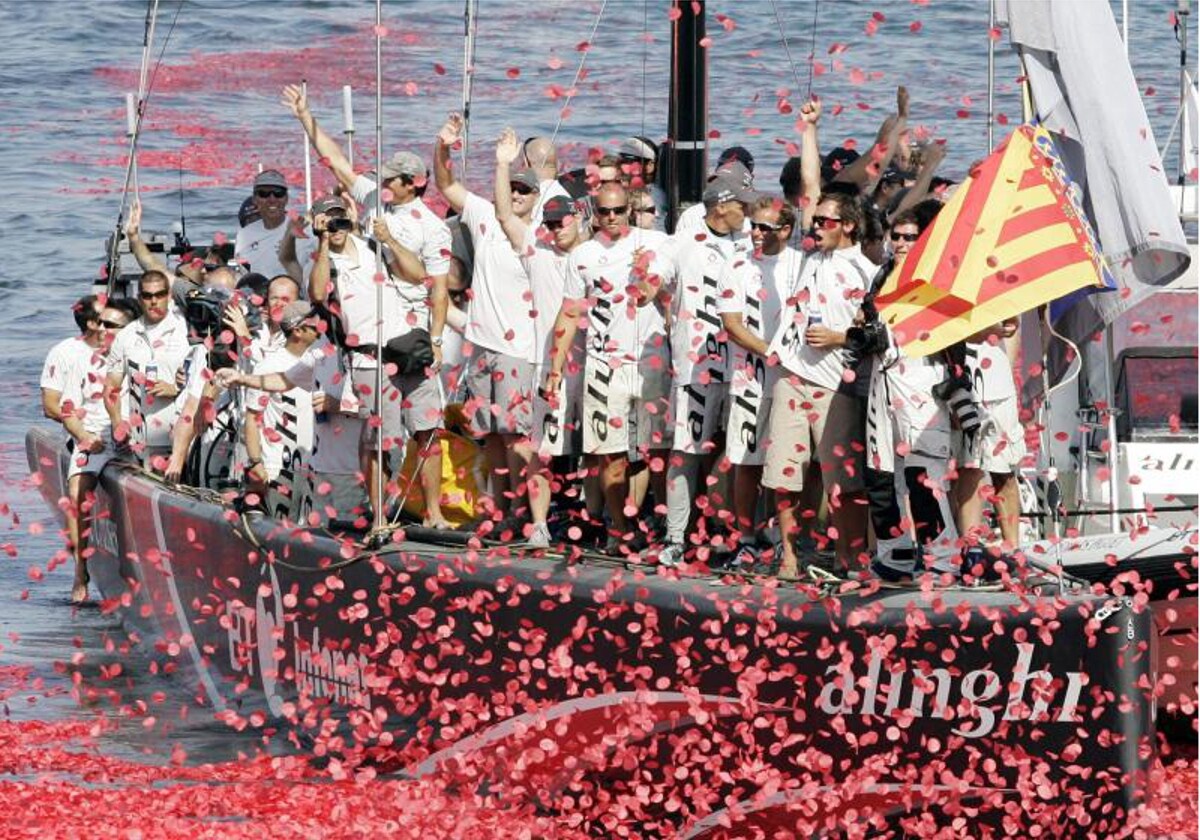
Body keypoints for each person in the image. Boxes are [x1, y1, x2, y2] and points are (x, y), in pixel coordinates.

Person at [544, 183, 674, 555]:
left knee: (660, 452)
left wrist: (648, 276)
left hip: (651, 360)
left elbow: (671, 294)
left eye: (619, 210)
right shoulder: (582, 255)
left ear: (630, 210)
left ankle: (667, 528)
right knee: (608, 454)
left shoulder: (657, 243)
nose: (612, 218)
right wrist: (554, 369)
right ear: (594, 214)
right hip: (604, 364)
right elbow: (569, 313)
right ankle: (621, 529)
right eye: (605, 212)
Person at [281, 83, 450, 367]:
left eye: (390, 179)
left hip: (411, 320)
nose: (382, 182)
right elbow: (337, 164)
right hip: (370, 317)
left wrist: (436, 341)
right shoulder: (375, 199)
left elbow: (439, 290)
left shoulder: (434, 228)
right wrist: (305, 116)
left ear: (411, 184)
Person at [307, 194, 447, 528]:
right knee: (378, 442)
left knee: (428, 431)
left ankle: (435, 513)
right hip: (369, 360)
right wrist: (324, 241)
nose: (336, 226)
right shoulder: (322, 259)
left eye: (339, 219)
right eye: (328, 221)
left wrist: (390, 241)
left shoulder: (371, 246)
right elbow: (317, 292)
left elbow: (418, 275)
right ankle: (379, 517)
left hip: (407, 350)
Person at [435, 113, 539, 528]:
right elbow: (445, 185)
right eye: (511, 188)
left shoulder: (536, 236)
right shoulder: (482, 218)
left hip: (519, 351)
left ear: (536, 199)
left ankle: (522, 511)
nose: (515, 195)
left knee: (517, 437)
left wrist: (503, 164)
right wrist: (443, 146)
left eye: (523, 190)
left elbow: (508, 213)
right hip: (482, 348)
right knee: (491, 435)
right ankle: (500, 507)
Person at [764, 192, 876, 577]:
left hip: (836, 388)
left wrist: (838, 337)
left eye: (826, 222)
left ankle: (849, 558)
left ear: (848, 226)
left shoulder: (866, 269)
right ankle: (791, 557)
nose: (817, 228)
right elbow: (810, 184)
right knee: (784, 477)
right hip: (791, 378)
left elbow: (876, 334)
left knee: (842, 483)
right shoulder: (807, 259)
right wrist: (808, 132)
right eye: (815, 221)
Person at [858, 209, 963, 581]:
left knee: (924, 473)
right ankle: (895, 552)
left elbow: (953, 333)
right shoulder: (882, 273)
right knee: (881, 474)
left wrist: (956, 388)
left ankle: (942, 558)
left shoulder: (936, 277)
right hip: (882, 380)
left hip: (921, 379)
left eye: (909, 237)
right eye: (896, 236)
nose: (901, 243)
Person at [660, 168, 756, 567]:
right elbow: (657, 286)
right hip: (696, 365)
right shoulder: (682, 243)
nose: (748, 212)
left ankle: (730, 530)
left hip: (741, 365)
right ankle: (676, 536)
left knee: (740, 448)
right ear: (721, 207)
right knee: (686, 451)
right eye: (742, 205)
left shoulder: (750, 240)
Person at [496, 128, 586, 548]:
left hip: (596, 367)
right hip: (546, 367)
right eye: (548, 222)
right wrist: (503, 164)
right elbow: (505, 217)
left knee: (598, 452)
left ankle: (594, 520)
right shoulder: (538, 251)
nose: (555, 229)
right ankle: (540, 524)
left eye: (562, 221)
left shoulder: (598, 254)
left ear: (579, 219)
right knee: (540, 449)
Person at [718, 197, 802, 568]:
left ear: (785, 230)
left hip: (792, 380)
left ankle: (787, 540)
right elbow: (732, 325)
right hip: (749, 379)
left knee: (788, 464)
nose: (755, 233)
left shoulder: (801, 265)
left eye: (764, 227)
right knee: (747, 461)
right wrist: (772, 351)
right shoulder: (735, 265)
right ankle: (747, 537)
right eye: (753, 225)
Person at [45, 297, 133, 602]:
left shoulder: (137, 351)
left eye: (113, 325)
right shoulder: (77, 356)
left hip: (133, 437)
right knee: (77, 491)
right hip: (94, 436)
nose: (104, 331)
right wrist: (85, 437)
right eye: (103, 324)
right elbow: (60, 409)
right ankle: (81, 571)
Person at [105, 270, 191, 470]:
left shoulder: (186, 330)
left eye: (159, 295)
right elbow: (111, 387)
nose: (154, 301)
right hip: (142, 441)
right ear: (139, 298)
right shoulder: (126, 336)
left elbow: (206, 379)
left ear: (169, 296)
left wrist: (176, 390)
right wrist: (117, 422)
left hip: (182, 437)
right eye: (148, 296)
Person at [954, 317, 1027, 553]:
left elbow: (1013, 326)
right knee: (969, 468)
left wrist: (1007, 329)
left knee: (1004, 472)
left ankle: (1013, 548)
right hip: (962, 381)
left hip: (1000, 387)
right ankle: (970, 550)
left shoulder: (1001, 285)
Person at [234, 169, 302, 283]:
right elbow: (243, 274)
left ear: (286, 198)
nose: (272, 199)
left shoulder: (304, 230)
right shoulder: (243, 235)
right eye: (263, 193)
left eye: (278, 193)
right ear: (255, 199)